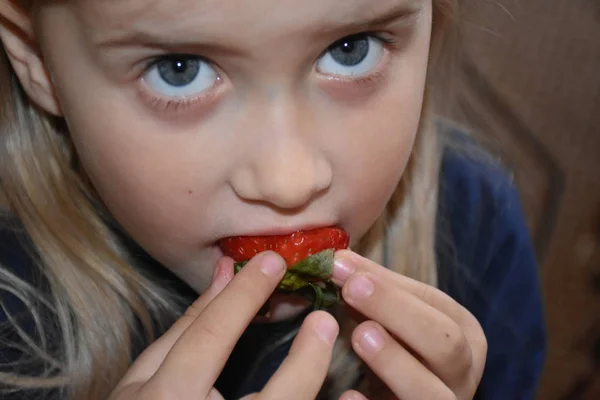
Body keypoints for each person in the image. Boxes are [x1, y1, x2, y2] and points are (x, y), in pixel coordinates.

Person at [0, 0, 546, 399]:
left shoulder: (478, 232)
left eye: (351, 49)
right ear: (36, 58)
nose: (290, 182)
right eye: (179, 69)